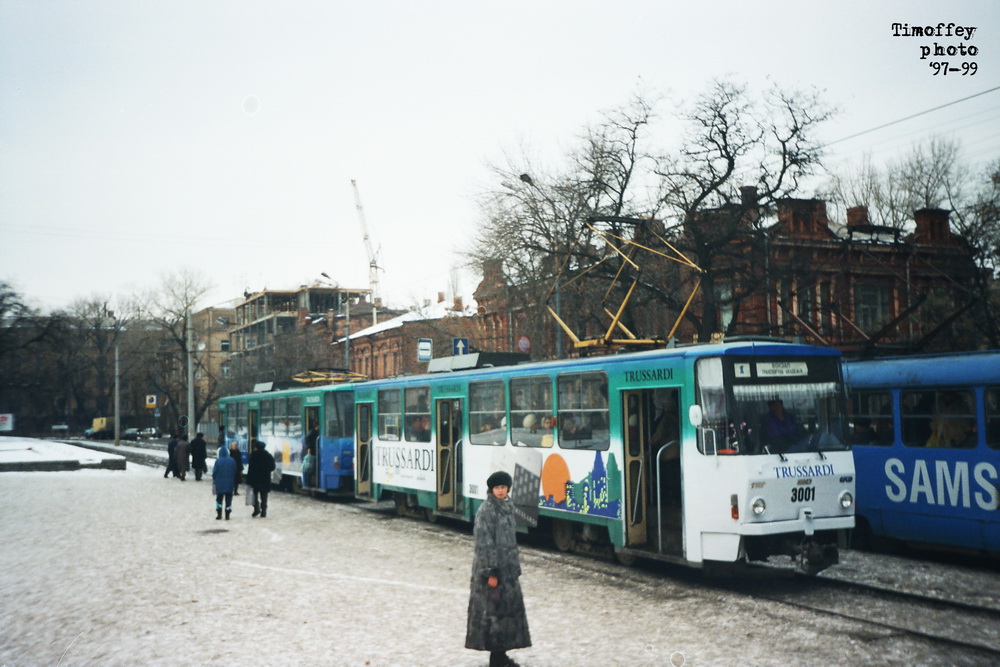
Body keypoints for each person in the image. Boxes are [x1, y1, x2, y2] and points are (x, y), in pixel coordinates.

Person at [465, 471, 531, 667]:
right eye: (497, 488)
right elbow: (484, 543)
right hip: (493, 572)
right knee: (493, 615)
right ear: (491, 490)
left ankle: (502, 654)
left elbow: (511, 541)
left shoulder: (508, 508)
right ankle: (496, 658)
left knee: (506, 614)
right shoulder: (486, 511)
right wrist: (490, 572)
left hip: (508, 572)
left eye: (503, 487)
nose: (501, 491)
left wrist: (514, 568)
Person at [247, 439, 275, 518]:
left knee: (254, 495)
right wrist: (267, 470)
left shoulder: (253, 455)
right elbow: (272, 467)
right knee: (264, 496)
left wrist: (249, 479)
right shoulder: (268, 455)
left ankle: (256, 508)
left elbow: (250, 468)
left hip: (255, 479)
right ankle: (264, 511)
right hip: (265, 479)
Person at [212, 445, 237, 520]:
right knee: (228, 499)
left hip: (219, 484)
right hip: (229, 483)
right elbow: (235, 470)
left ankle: (219, 513)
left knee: (219, 499)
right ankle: (227, 514)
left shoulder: (218, 461)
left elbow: (214, 472)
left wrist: (215, 479)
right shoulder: (232, 460)